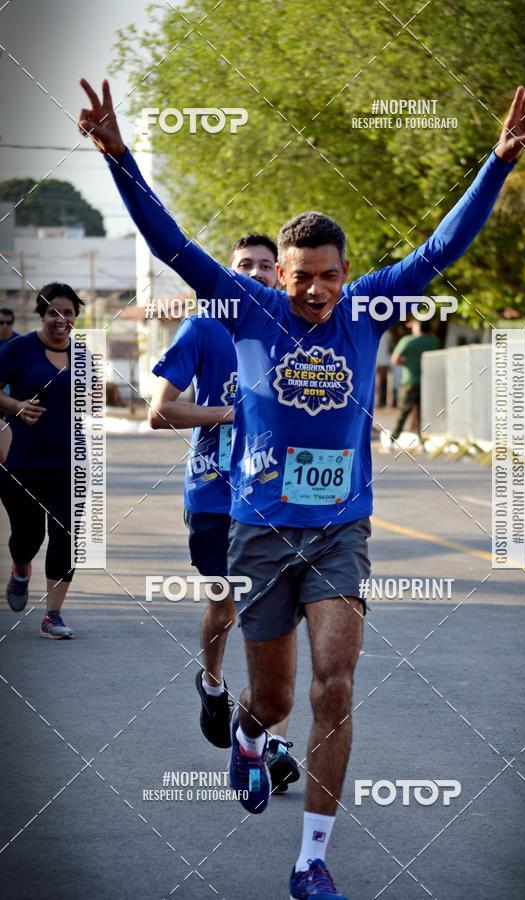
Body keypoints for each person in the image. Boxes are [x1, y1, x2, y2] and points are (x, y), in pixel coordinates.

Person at [79, 76, 525, 898]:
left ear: (346, 272)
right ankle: (251, 739)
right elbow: (172, 245)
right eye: (300, 278)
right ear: (280, 275)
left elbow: (441, 248)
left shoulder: (368, 308)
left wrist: (497, 164)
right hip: (257, 529)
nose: (315, 291)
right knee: (273, 697)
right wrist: (119, 158)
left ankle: (311, 860)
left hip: (339, 531)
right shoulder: (249, 307)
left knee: (335, 683)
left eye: (327, 276)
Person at [148, 233, 300, 792]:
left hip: (274, 499)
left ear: (280, 275)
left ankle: (271, 742)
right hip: (214, 496)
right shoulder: (205, 327)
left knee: (275, 619)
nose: (257, 273)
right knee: (225, 610)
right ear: (228, 274)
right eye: (245, 266)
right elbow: (160, 413)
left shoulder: (292, 329)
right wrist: (226, 413)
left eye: (266, 266)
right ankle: (212, 683)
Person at [0, 283, 83, 637]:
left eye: (68, 312)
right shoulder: (18, 349)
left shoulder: (84, 355)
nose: (60, 319)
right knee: (28, 534)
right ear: (41, 315)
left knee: (66, 534)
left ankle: (53, 616)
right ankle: (21, 570)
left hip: (68, 464)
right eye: (53, 312)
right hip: (21, 462)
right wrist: (16, 406)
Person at [390, 317, 440, 445]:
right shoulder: (433, 341)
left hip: (409, 381)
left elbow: (395, 359)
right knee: (421, 413)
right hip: (426, 382)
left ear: (418, 326)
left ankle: (393, 440)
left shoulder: (408, 340)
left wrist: (407, 362)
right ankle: (422, 442)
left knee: (403, 412)